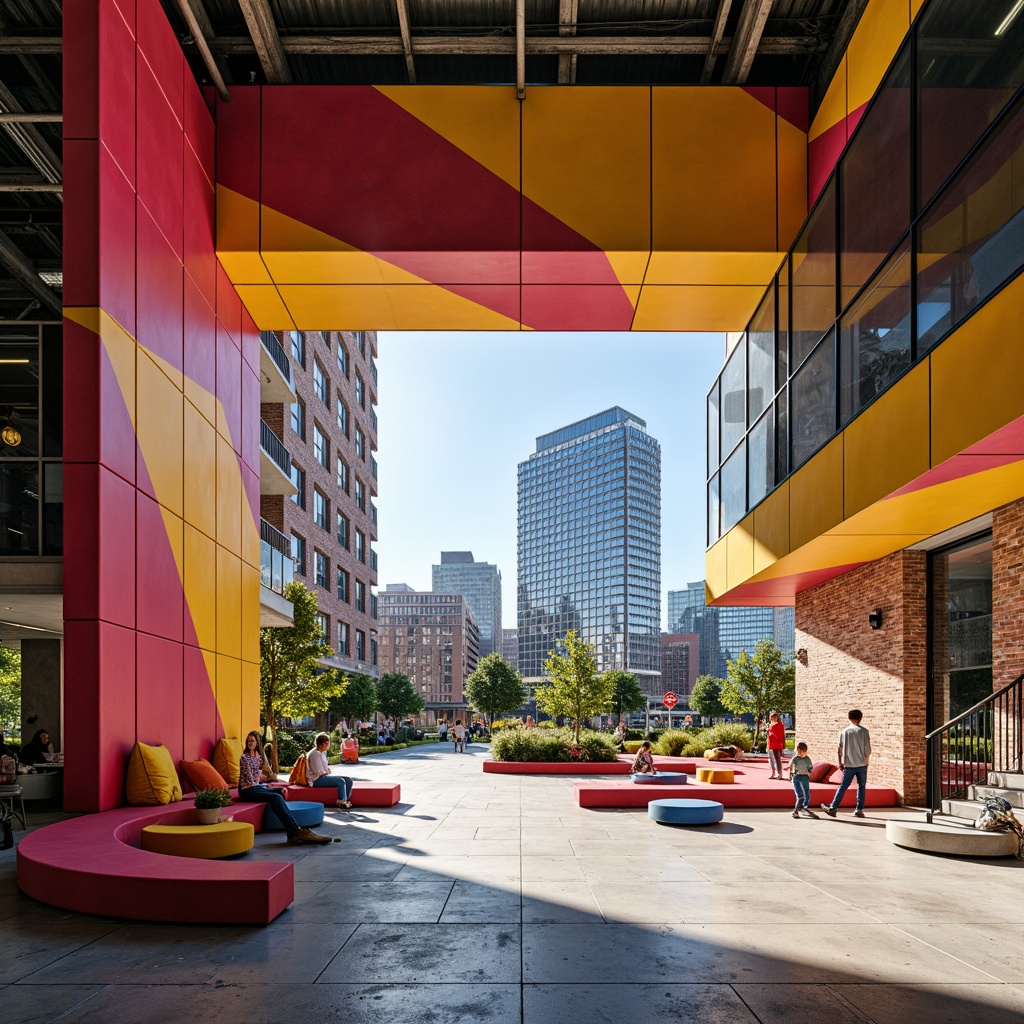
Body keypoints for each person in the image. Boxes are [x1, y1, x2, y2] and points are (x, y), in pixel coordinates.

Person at [238, 731, 330, 845]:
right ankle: (294, 830)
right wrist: (265, 785)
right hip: (247, 789)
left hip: (255, 786)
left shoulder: (258, 758)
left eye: (252, 741)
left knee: (280, 791)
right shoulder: (244, 757)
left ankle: (282, 822)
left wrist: (268, 782)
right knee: (275, 797)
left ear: (257, 743)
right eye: (248, 741)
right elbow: (250, 779)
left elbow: (258, 776)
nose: (250, 743)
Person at [821, 709, 871, 818]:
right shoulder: (864, 731)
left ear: (849, 718)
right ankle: (859, 809)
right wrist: (867, 761)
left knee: (843, 786)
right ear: (860, 718)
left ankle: (833, 808)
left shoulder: (845, 732)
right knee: (861, 786)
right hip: (862, 763)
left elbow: (840, 749)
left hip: (849, 764)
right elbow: (867, 749)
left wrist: (840, 762)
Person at [305, 732, 352, 809]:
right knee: (340, 781)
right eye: (327, 743)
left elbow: (324, 767)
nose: (328, 745)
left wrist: (326, 770)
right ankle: (341, 801)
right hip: (316, 780)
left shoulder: (322, 752)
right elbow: (318, 772)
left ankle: (346, 800)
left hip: (322, 776)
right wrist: (326, 772)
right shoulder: (315, 754)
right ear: (322, 744)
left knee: (348, 780)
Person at [789, 742, 816, 818]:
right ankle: (796, 810)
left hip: (804, 776)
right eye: (799, 752)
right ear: (797, 751)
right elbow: (791, 766)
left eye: (803, 752)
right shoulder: (795, 759)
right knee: (800, 795)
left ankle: (804, 806)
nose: (801, 754)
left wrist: (809, 772)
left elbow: (810, 767)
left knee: (807, 792)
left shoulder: (807, 759)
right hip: (796, 777)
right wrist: (791, 774)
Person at [767, 712, 785, 779]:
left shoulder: (777, 725)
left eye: (774, 716)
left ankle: (779, 774)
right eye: (772, 716)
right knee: (772, 759)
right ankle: (774, 773)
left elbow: (780, 736)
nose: (773, 718)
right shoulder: (773, 725)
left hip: (775, 745)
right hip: (771, 744)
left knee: (777, 760)